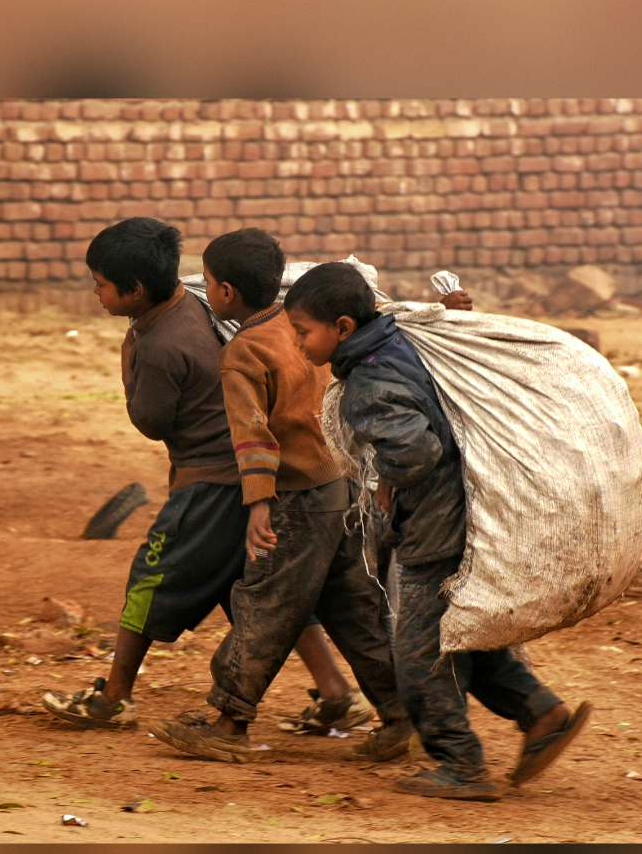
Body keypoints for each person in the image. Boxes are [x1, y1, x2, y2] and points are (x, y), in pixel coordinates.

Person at [42, 217, 372, 732]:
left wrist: (128, 356)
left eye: (101, 284)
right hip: (249, 478)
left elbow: (151, 422)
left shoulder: (156, 345)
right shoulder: (196, 301)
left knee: (149, 578)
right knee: (251, 583)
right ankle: (336, 693)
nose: (95, 292)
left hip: (212, 484)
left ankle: (113, 697)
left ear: (134, 290)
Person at [282, 261, 592, 801]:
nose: (298, 344)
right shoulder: (399, 339)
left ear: (343, 328)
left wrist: (386, 481)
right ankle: (542, 713)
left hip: (436, 527)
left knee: (420, 652)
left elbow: (415, 450)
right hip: (469, 515)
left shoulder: (369, 380)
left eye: (304, 332)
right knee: (458, 635)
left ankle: (459, 763)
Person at [149, 229, 414, 763]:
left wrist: (258, 505)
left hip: (298, 499)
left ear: (222, 293)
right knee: (354, 609)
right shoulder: (303, 330)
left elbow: (254, 437)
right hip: (341, 488)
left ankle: (228, 722)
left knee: (265, 603)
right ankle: (401, 715)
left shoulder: (245, 351)